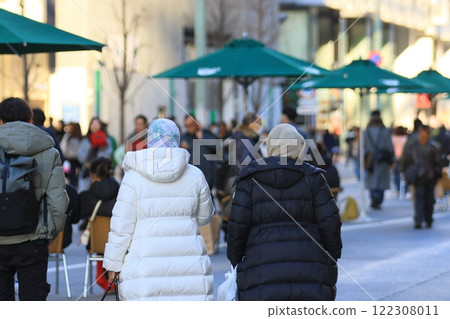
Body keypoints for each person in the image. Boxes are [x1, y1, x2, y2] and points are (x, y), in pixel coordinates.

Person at [226, 123, 342, 301]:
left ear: (271, 146)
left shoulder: (249, 179)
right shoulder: (314, 178)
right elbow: (330, 223)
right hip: (310, 267)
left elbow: (237, 227)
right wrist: (331, 257)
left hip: (260, 269)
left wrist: (236, 259)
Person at [103, 118, 214, 301]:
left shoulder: (133, 177)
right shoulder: (195, 175)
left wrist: (113, 264)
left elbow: (121, 226)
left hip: (144, 269)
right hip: (189, 267)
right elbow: (205, 217)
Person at [0, 97, 69, 301]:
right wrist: (49, 234)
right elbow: (57, 200)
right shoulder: (47, 151)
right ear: (30, 120)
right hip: (33, 239)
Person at [79, 157, 119, 292]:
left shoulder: (86, 197)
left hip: (97, 243)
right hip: (116, 243)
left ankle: (102, 279)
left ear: (93, 174)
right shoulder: (121, 194)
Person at [403, 125, 442, 229]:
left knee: (422, 198)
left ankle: (421, 219)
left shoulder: (418, 147)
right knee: (426, 198)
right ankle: (425, 219)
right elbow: (438, 163)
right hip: (427, 176)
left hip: (422, 176)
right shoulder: (430, 147)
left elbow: (407, 161)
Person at [364, 111, 394, 210]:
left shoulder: (366, 131)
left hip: (370, 159)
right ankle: (378, 199)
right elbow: (389, 146)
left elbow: (362, 147)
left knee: (372, 180)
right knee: (381, 181)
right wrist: (392, 159)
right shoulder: (385, 131)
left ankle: (374, 197)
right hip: (383, 159)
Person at [181, 114, 217, 190]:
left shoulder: (206, 134)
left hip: (206, 176)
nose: (188, 128)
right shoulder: (183, 138)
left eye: (190, 125)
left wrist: (202, 138)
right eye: (186, 126)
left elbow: (218, 147)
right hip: (190, 178)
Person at [77, 117, 113, 192]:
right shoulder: (86, 140)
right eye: (92, 123)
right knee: (84, 190)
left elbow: (108, 153)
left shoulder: (106, 139)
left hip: (101, 171)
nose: (95, 126)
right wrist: (86, 162)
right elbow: (80, 154)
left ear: (101, 126)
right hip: (87, 170)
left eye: (97, 124)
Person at [60, 122, 83, 187]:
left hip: (72, 160)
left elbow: (63, 148)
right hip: (74, 161)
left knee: (71, 178)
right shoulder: (79, 138)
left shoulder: (68, 137)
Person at [391, 126, 408, 196]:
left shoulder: (393, 138)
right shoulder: (405, 138)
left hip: (396, 158)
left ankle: (398, 189)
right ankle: (405, 189)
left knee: (396, 174)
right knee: (405, 174)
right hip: (404, 158)